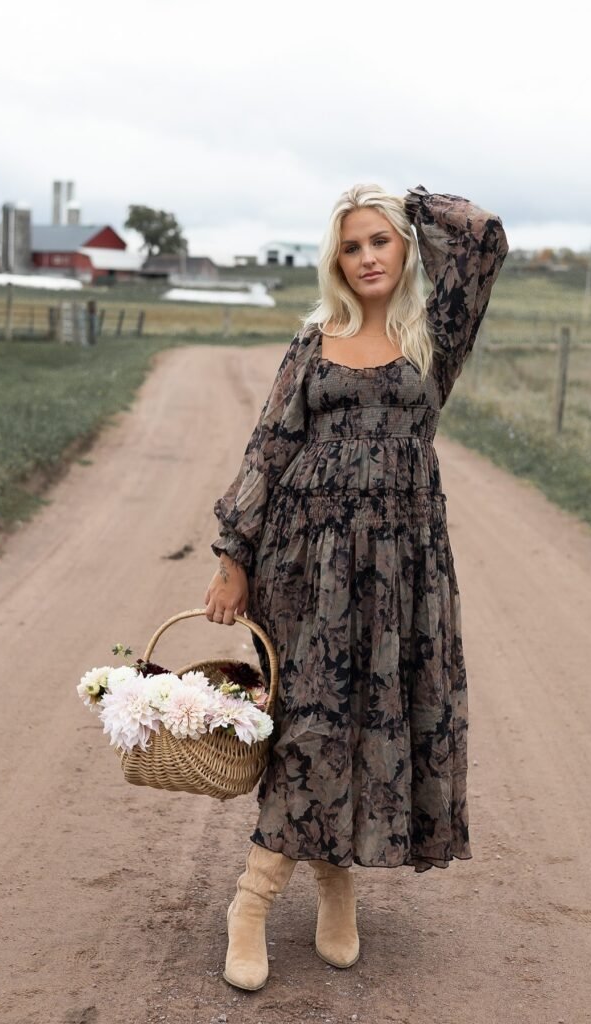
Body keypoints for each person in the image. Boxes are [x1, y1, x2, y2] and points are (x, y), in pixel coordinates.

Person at [204, 182, 509, 991]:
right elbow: (268, 448)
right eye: (351, 245)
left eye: (380, 240)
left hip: (402, 567)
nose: (367, 256)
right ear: (333, 261)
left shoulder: (434, 335)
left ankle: (335, 884)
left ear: (404, 247)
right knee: (309, 726)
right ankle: (251, 903)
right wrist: (234, 555)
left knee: (369, 723)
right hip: (304, 563)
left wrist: (410, 202)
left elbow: (483, 239)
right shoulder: (313, 343)